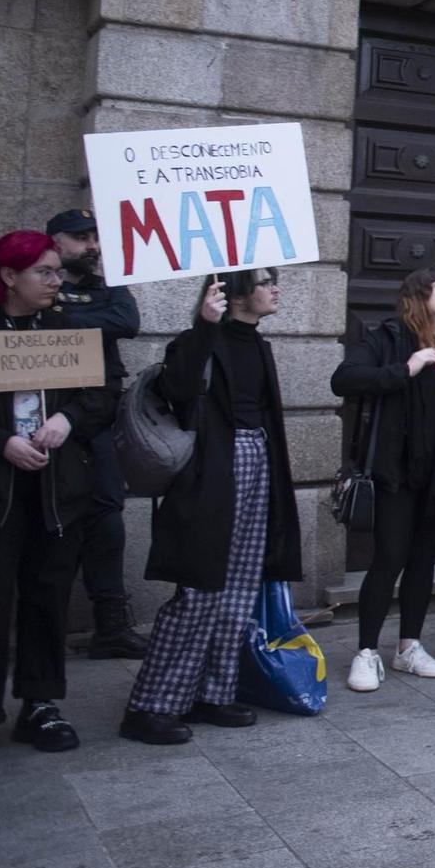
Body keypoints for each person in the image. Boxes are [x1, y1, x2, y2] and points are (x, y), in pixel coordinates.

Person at [121, 269, 302, 746]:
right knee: (200, 590)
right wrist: (203, 325)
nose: (275, 289)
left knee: (241, 588)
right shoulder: (195, 341)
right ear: (237, 292)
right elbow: (178, 391)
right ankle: (151, 705)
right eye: (265, 282)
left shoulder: (257, 344)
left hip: (255, 460)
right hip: (211, 475)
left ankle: (212, 692)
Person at [0, 232, 117, 769]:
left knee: (47, 597)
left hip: (58, 492)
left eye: (58, 271)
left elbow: (102, 394)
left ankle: (40, 702)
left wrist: (68, 419)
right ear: (9, 277)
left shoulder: (70, 331)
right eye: (45, 272)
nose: (56, 281)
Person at [330, 267, 435, 693]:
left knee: (423, 559)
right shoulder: (388, 338)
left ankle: (408, 647)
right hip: (396, 471)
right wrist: (407, 368)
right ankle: (365, 652)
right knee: (389, 557)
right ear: (419, 294)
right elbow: (344, 379)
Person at [45, 208, 146, 660]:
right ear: (55, 241)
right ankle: (45, 625)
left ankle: (111, 625)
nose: (92, 246)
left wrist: (64, 322)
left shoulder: (107, 288)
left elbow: (126, 321)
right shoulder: (45, 286)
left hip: (97, 416)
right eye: (81, 237)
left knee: (107, 519)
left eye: (95, 237)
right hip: (47, 420)